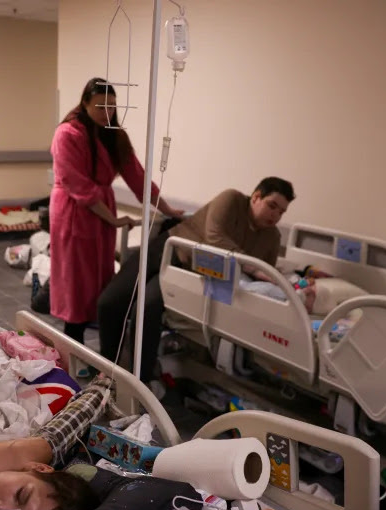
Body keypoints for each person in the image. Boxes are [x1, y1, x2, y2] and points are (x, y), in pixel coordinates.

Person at [97, 177, 295, 383]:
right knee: (109, 302)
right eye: (272, 206)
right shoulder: (232, 200)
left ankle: (140, 382)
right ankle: (104, 368)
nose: (276, 215)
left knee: (146, 309)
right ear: (256, 197)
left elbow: (264, 274)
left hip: (189, 272)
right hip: (169, 248)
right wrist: (252, 267)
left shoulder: (272, 237)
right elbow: (215, 238)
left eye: (282, 212)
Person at [49, 78, 182, 345]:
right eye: (100, 106)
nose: (107, 112)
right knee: (76, 281)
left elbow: (139, 179)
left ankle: (96, 340)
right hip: (74, 210)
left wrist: (168, 210)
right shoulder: (67, 135)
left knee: (100, 276)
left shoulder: (115, 136)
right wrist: (114, 218)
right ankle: (72, 345)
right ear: (85, 103)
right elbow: (77, 185)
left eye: (111, 106)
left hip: (100, 212)